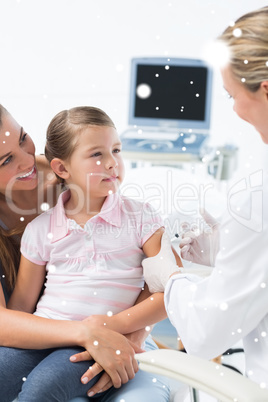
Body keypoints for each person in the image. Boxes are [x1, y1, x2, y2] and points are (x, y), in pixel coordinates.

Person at [0, 106, 182, 401]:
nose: (112, 163)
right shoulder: (40, 229)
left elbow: (171, 287)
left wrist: (118, 328)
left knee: (42, 390)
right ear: (63, 169)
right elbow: (20, 310)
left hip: (91, 342)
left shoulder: (142, 218)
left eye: (117, 150)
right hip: (48, 334)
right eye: (98, 155)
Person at [142, 6, 268, 386]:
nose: (235, 110)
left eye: (231, 96)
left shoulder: (257, 198)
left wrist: (173, 277)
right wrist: (222, 250)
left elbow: (204, 335)